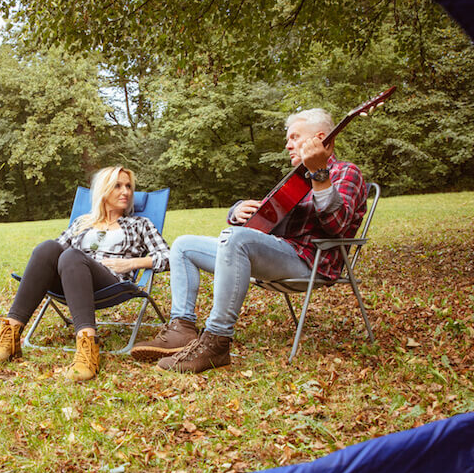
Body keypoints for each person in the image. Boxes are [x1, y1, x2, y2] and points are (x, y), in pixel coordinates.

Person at [130, 108, 368, 373]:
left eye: (295, 137)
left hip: (310, 263)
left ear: (320, 138)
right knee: (184, 245)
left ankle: (216, 342)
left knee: (236, 240)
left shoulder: (346, 172)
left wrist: (320, 175)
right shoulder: (296, 180)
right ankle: (182, 329)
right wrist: (238, 209)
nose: (288, 145)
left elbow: (337, 226)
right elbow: (261, 221)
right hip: (278, 254)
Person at [0, 166, 170, 381]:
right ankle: (11, 336)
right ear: (103, 190)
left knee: (72, 255)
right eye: (118, 186)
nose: (126, 192)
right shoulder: (83, 223)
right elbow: (52, 254)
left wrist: (130, 264)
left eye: (129, 186)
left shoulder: (140, 224)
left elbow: (168, 257)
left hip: (109, 281)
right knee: (47, 248)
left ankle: (87, 348)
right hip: (71, 278)